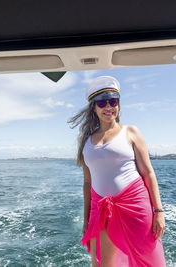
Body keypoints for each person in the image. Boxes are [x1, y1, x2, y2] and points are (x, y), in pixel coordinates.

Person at [68, 76, 166, 267]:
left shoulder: (131, 132)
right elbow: (87, 182)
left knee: (150, 261)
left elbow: (148, 173)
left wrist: (159, 211)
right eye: (102, 103)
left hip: (135, 204)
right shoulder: (86, 141)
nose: (108, 107)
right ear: (94, 108)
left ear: (118, 105)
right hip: (100, 209)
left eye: (113, 102)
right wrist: (86, 218)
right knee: (103, 264)